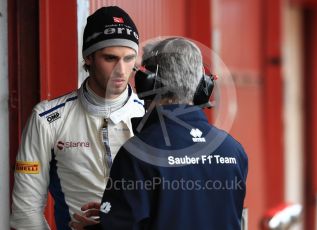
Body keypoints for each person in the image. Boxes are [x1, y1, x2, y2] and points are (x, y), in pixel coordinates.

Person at [79, 37, 248, 230]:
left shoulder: (138, 152)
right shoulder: (233, 151)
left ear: (147, 83)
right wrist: (120, 209)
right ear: (202, 85)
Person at [10, 6, 145, 230]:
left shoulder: (151, 116)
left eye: (129, 58)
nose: (121, 70)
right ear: (89, 57)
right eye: (110, 58)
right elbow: (25, 213)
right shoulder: (47, 119)